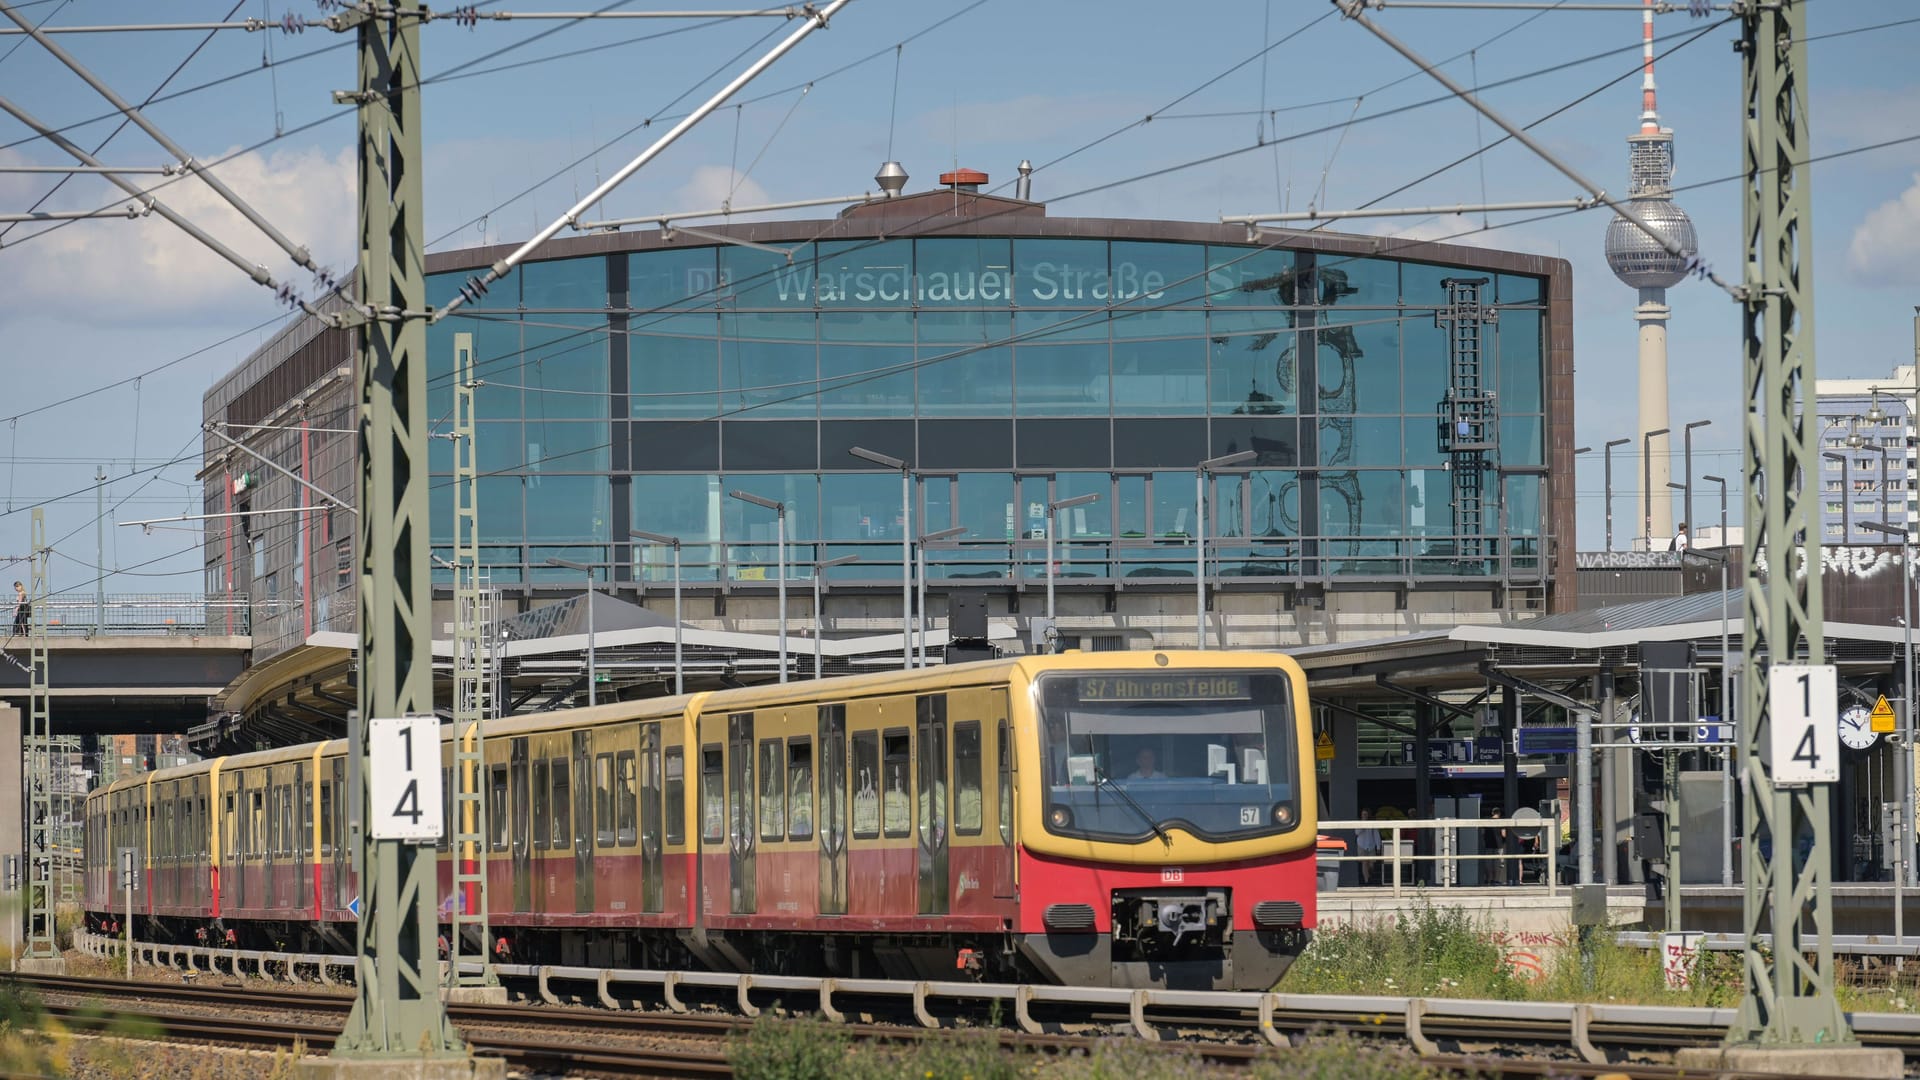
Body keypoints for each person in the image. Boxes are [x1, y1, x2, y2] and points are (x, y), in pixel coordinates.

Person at [1356, 808, 1382, 886]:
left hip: (1371, 845)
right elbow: (1357, 833)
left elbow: (1376, 835)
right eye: (1363, 814)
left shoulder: (1372, 823)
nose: (1364, 816)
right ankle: (1366, 881)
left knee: (1371, 864)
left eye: (1366, 814)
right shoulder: (1358, 823)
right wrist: (1363, 825)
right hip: (1361, 845)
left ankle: (1370, 876)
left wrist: (1378, 847)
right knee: (1364, 862)